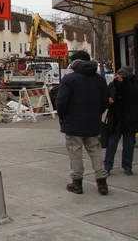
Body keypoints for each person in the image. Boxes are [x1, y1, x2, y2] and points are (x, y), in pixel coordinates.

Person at [56, 51, 109, 195]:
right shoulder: (99, 79)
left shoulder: (69, 79)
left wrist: (63, 116)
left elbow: (61, 102)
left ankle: (77, 183)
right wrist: (95, 113)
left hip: (73, 123)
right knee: (95, 150)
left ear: (74, 62)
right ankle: (102, 181)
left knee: (75, 153)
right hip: (92, 122)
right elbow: (105, 101)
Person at [104, 66, 138, 175]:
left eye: (122, 74)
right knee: (112, 143)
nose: (119, 76)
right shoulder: (112, 85)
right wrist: (108, 101)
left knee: (128, 144)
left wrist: (123, 84)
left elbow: (132, 95)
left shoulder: (133, 84)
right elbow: (107, 97)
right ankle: (107, 166)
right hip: (116, 118)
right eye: (119, 74)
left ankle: (127, 166)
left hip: (129, 119)